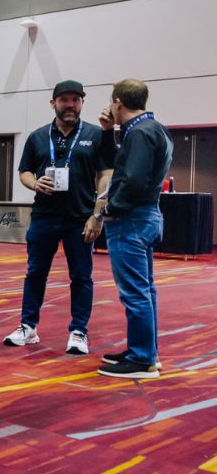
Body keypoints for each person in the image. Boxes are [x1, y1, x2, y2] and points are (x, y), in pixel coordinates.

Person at [3, 80, 113, 354]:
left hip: (80, 218)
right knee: (35, 273)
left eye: (76, 100)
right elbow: (24, 171)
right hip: (44, 216)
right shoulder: (38, 137)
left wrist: (97, 214)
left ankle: (78, 332)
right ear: (53, 103)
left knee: (81, 276)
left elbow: (106, 176)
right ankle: (28, 327)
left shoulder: (95, 135)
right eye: (64, 100)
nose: (70, 105)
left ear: (82, 104)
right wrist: (34, 183)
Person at [95, 79, 171, 379]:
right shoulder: (154, 129)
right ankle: (145, 351)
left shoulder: (139, 133)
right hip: (147, 216)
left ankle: (142, 359)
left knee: (135, 292)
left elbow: (132, 178)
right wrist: (106, 133)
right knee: (145, 289)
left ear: (118, 103)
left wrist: (109, 210)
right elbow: (123, 164)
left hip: (131, 220)